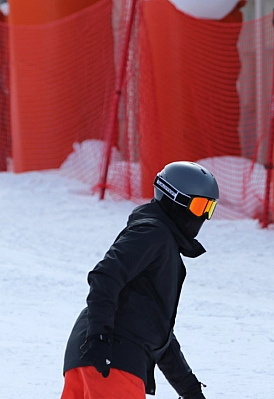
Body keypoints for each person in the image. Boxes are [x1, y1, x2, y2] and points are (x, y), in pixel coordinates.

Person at [60, 161, 219, 399]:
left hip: (93, 354)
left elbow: (158, 333)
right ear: (175, 199)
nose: (204, 217)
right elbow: (105, 276)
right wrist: (100, 338)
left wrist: (190, 390)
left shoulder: (162, 244)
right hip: (112, 357)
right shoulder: (153, 233)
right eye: (199, 207)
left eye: (210, 208)